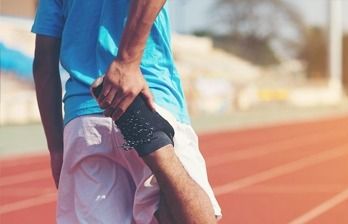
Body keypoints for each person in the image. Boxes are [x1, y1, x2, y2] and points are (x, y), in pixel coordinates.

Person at [31, 0, 222, 223]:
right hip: (143, 98)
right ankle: (159, 152)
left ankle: (153, 143)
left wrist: (56, 148)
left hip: (84, 122)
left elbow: (43, 63)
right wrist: (127, 62)